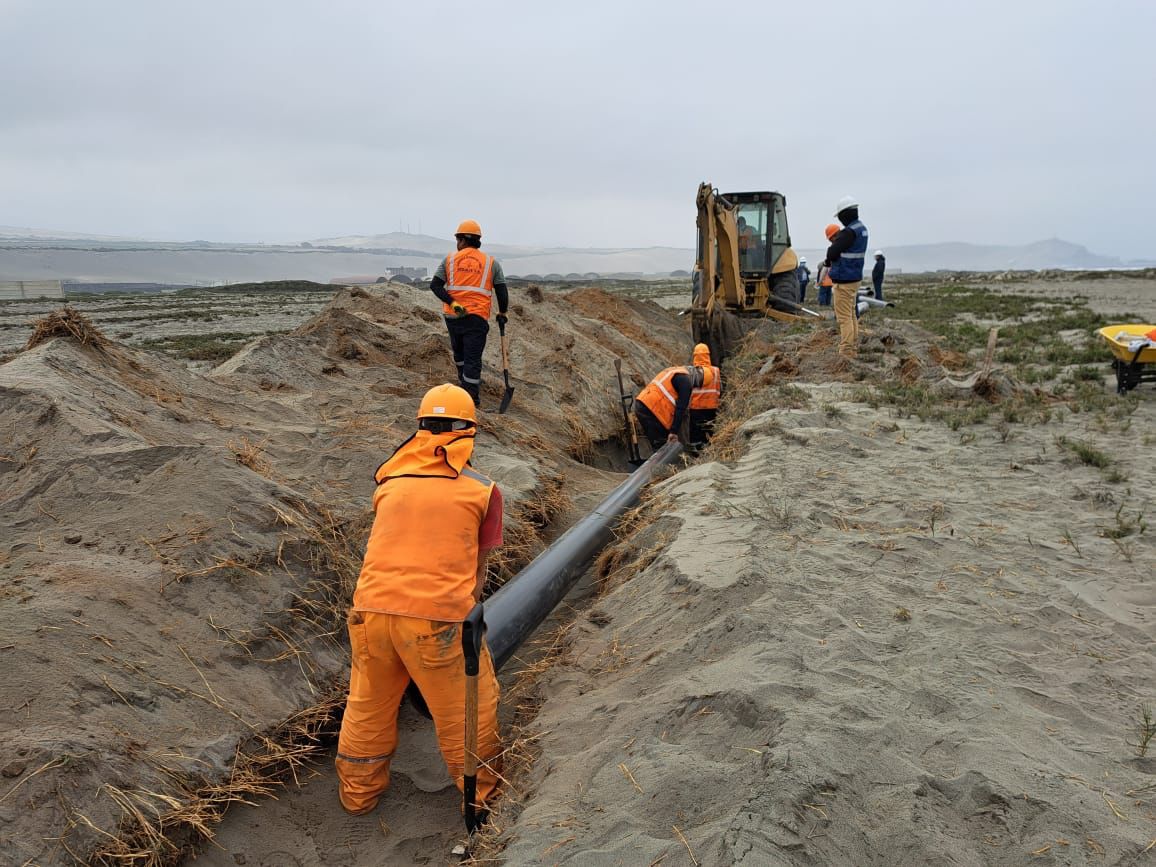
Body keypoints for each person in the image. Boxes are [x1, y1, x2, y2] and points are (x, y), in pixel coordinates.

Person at [336, 384, 503, 817]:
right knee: (466, 711)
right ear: (469, 433)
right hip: (435, 622)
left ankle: (357, 797)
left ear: (419, 429)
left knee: (367, 708)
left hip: (369, 613)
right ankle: (482, 800)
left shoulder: (389, 482)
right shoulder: (482, 490)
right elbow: (477, 570)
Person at [429, 220, 510, 406]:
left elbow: (435, 285)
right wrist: (503, 312)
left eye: (458, 239)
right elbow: (502, 292)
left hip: (453, 317)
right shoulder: (491, 263)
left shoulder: (449, 260)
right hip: (477, 318)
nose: (457, 244)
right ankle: (470, 400)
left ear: (462, 240)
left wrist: (453, 303)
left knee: (459, 356)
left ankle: (464, 386)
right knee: (472, 360)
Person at [824, 197, 869, 358]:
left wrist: (829, 257)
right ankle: (853, 347)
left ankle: (846, 350)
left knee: (844, 318)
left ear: (844, 215)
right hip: (854, 278)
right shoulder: (861, 228)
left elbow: (832, 253)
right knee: (851, 315)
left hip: (844, 280)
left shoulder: (848, 232)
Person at [634, 359, 706, 450]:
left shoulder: (675, 371)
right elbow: (681, 408)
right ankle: (664, 464)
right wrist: (674, 431)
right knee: (663, 446)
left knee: (657, 444)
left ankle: (658, 461)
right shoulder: (686, 382)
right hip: (653, 409)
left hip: (641, 404)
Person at [688, 343, 721, 449]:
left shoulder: (692, 372)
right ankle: (709, 451)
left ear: (695, 356)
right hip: (712, 407)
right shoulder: (716, 371)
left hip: (696, 408)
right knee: (709, 432)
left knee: (696, 435)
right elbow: (720, 389)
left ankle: (696, 455)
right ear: (708, 355)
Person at [816, 224, 839, 307]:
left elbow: (823, 272)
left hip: (825, 283)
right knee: (828, 295)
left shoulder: (824, 267)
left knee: (822, 294)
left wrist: (819, 282)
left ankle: (823, 304)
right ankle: (828, 304)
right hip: (831, 283)